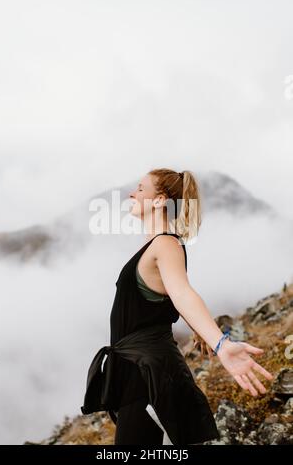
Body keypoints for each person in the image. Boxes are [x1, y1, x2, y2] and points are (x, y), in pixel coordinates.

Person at [81, 168, 274, 445]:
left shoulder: (165, 244)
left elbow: (182, 292)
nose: (131, 194)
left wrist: (220, 344)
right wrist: (198, 328)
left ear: (159, 201)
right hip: (137, 370)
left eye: (140, 189)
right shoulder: (155, 246)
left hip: (149, 372)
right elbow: (170, 292)